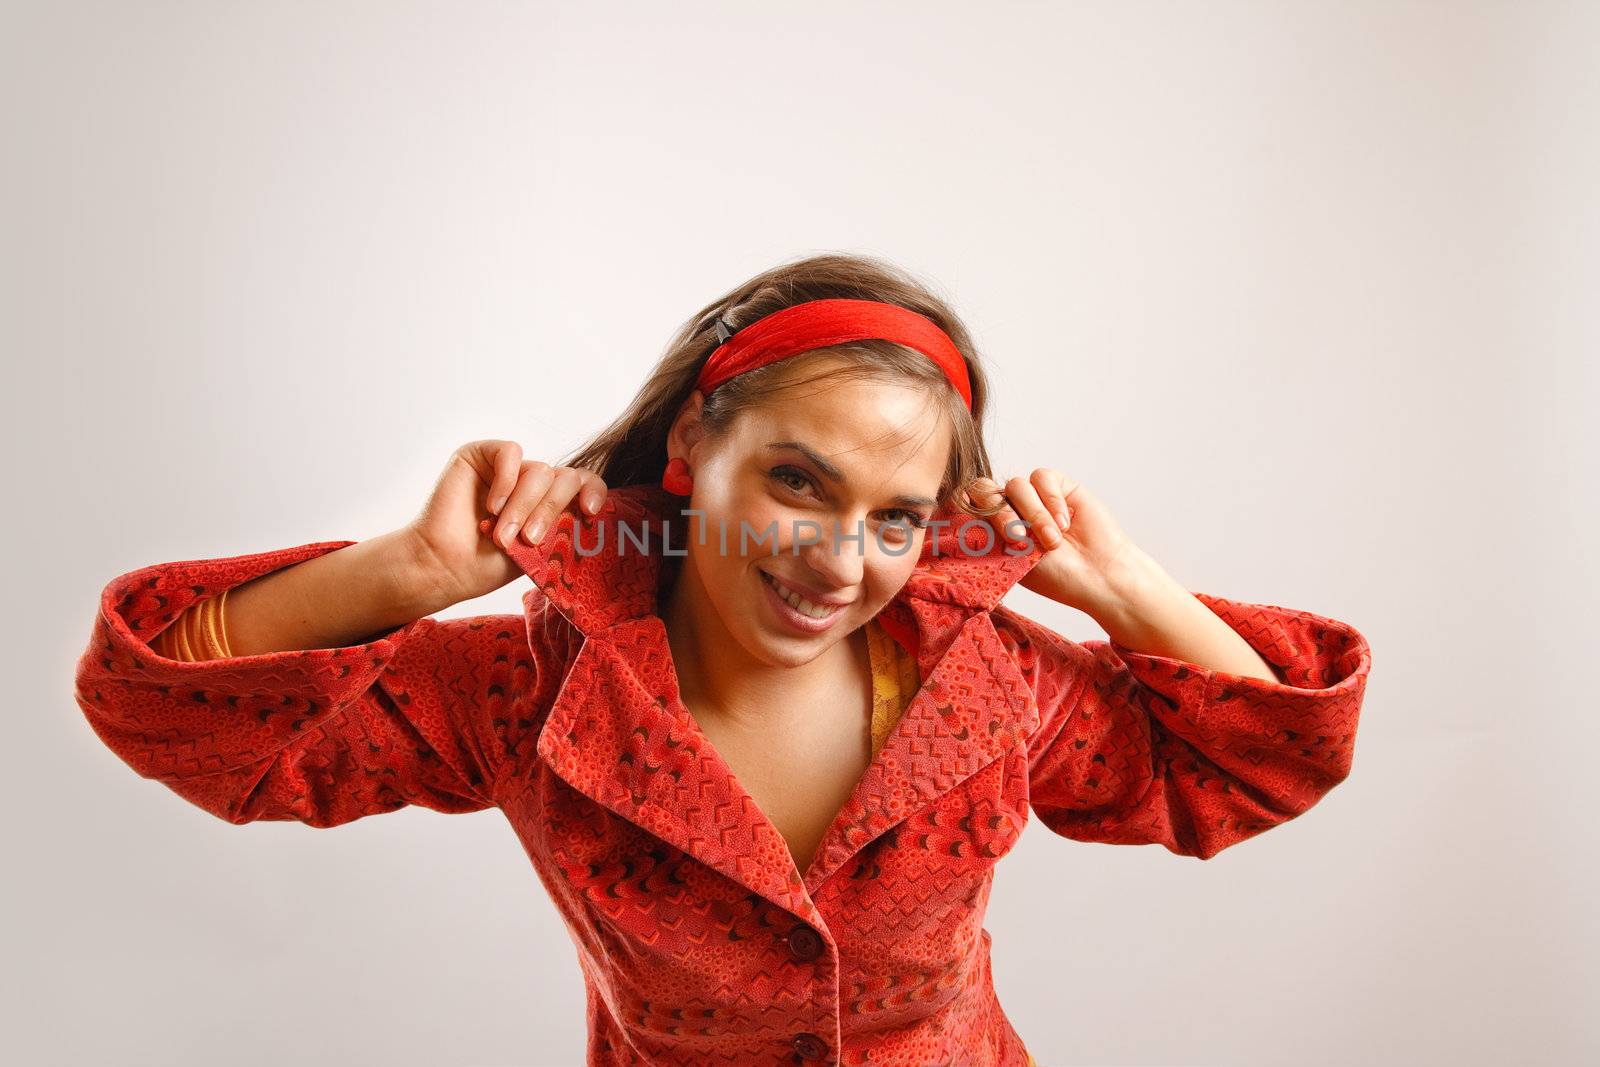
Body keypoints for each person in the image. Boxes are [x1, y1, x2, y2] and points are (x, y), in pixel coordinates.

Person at [73, 253, 1372, 1066]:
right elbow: (178, 721)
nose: (838, 560)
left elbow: (1260, 764)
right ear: (697, 446)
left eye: (897, 517)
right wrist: (402, 576)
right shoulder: (529, 693)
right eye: (798, 482)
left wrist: (1124, 584)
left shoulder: (991, 688)